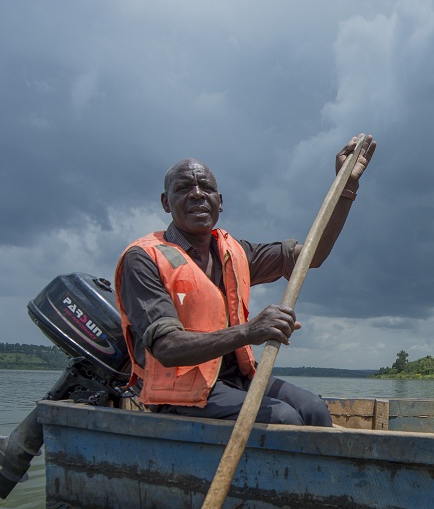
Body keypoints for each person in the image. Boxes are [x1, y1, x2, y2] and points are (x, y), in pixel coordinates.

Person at [113, 135, 376, 426]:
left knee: (315, 410)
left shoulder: (235, 251)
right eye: (183, 188)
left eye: (207, 189)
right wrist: (250, 332)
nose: (198, 194)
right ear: (166, 202)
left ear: (220, 202)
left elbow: (312, 256)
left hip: (237, 379)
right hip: (179, 392)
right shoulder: (143, 258)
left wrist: (346, 186)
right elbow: (166, 347)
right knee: (284, 419)